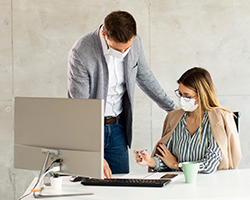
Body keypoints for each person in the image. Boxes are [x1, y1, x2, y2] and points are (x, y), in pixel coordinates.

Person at [67, 11, 177, 178]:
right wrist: (93, 153)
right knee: (88, 184)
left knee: (120, 184)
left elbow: (146, 78)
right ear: (104, 35)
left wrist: (174, 110)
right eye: (119, 49)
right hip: (90, 129)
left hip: (118, 129)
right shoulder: (81, 52)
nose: (125, 52)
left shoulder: (135, 42)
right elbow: (80, 107)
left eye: (128, 47)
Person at [135, 67, 242, 173]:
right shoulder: (174, 118)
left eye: (187, 96)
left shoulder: (217, 120)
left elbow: (209, 165)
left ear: (202, 95)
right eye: (180, 94)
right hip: (178, 184)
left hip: (209, 184)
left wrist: (176, 165)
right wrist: (150, 161)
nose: (182, 99)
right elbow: (166, 158)